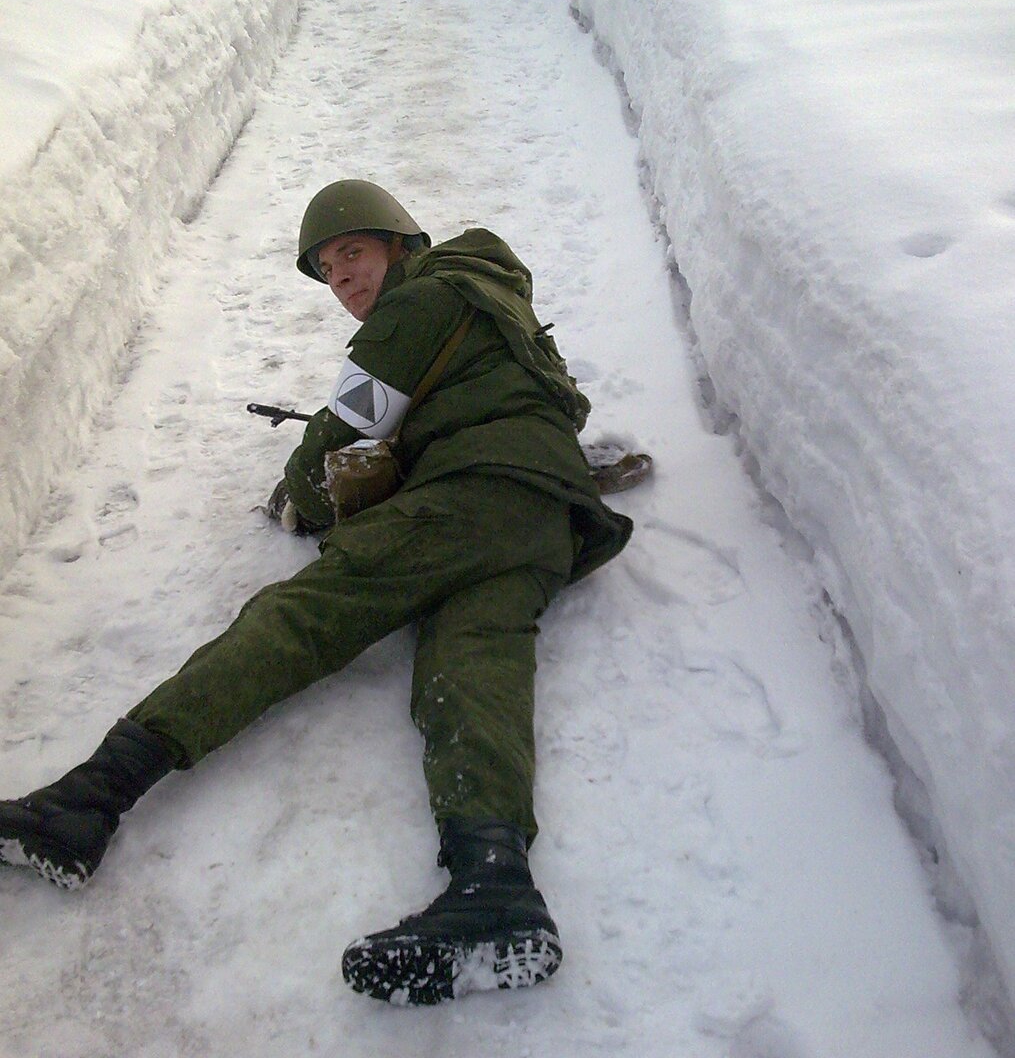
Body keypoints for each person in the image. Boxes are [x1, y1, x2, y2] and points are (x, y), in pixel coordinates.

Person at [0, 180, 632, 1005]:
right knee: (470, 679)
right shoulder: (492, 303)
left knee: (299, 618)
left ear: (399, 244)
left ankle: (87, 800)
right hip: (541, 520)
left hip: (468, 497)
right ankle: (496, 887)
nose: (343, 279)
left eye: (353, 255)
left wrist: (303, 492)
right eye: (329, 271)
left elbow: (337, 433)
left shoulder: (423, 300)